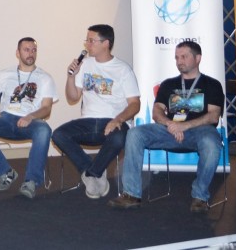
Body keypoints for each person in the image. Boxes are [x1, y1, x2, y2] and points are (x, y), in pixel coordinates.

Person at [109, 41, 224, 212]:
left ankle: (200, 197)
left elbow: (213, 115)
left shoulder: (212, 84)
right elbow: (157, 112)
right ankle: (131, 194)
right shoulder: (168, 84)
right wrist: (171, 124)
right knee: (135, 133)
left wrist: (184, 126)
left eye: (184, 57)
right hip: (169, 131)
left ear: (198, 58)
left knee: (211, 143)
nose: (179, 61)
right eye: (177, 57)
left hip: (200, 132)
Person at [51, 24, 140, 199]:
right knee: (58, 135)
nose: (87, 44)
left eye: (91, 41)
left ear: (106, 43)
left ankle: (93, 173)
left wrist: (118, 119)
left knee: (119, 137)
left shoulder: (123, 69)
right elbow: (73, 97)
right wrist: (71, 77)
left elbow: (135, 104)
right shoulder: (84, 65)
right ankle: (94, 171)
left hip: (113, 122)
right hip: (88, 121)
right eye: (87, 40)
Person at [0, 37, 56, 199]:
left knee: (44, 130)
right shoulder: (5, 74)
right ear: (17, 53)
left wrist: (30, 116)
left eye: (34, 50)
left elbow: (46, 108)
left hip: (31, 120)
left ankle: (31, 181)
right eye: (26, 50)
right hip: (5, 118)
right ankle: (6, 172)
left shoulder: (45, 77)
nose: (31, 53)